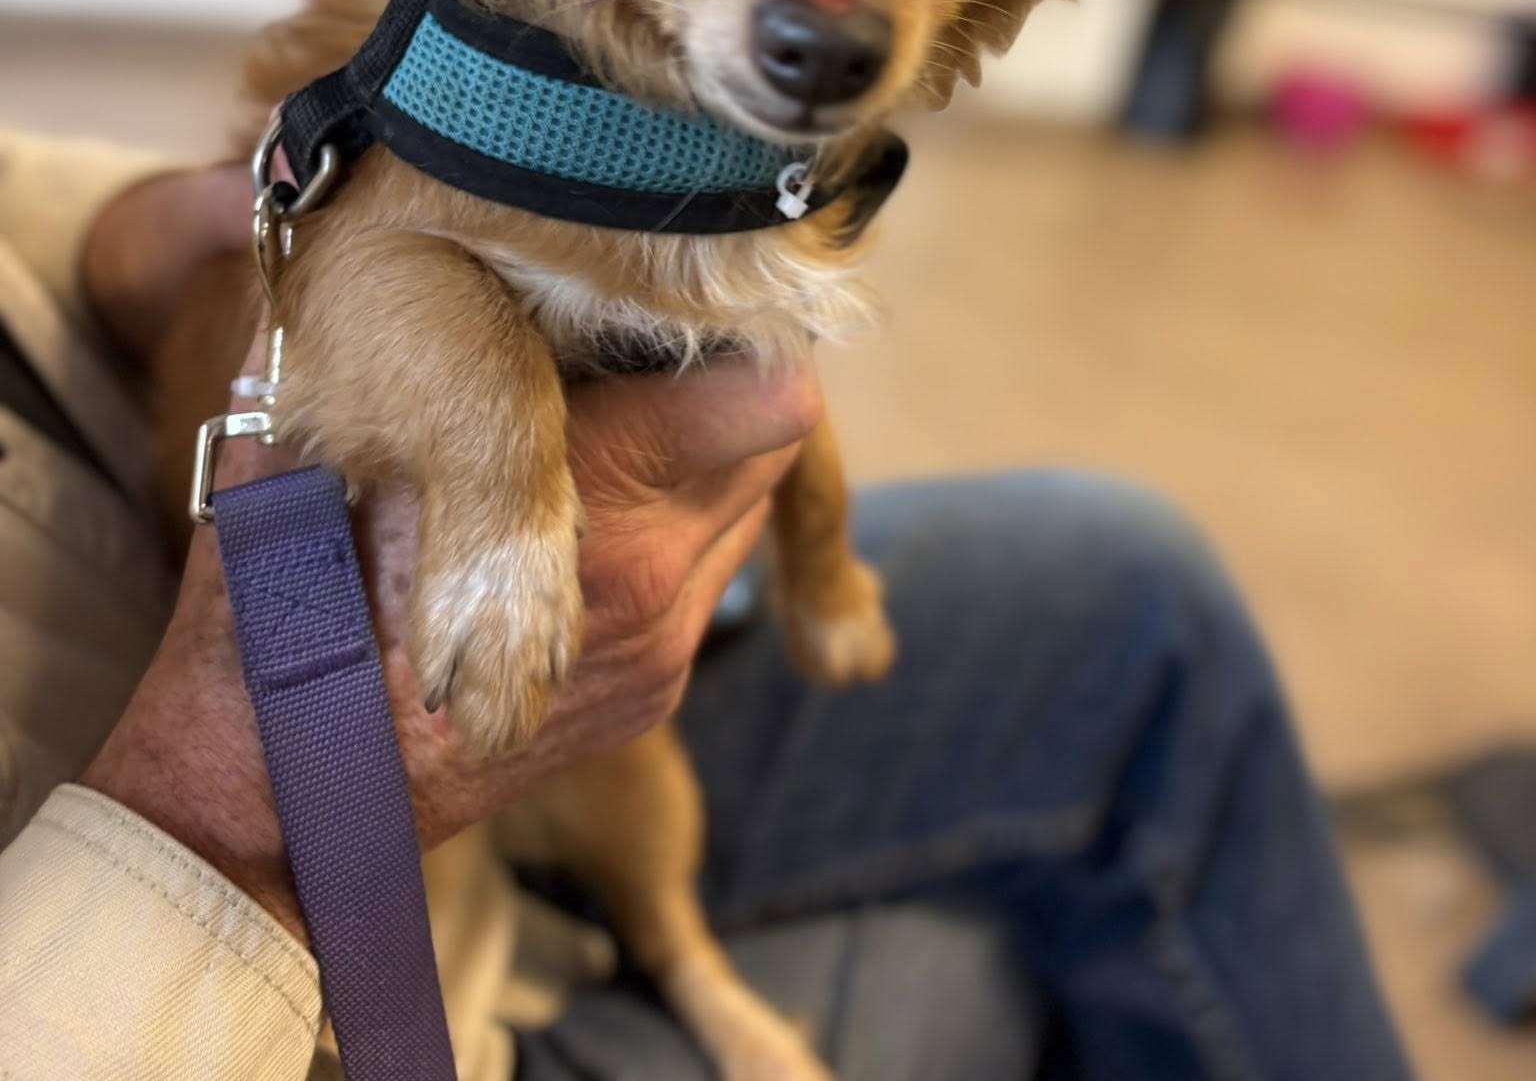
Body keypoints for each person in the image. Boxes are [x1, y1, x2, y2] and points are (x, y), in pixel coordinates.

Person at [0, 130, 1414, 1079]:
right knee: (988, 951)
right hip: (316, 1009)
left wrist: (138, 226)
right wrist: (237, 807)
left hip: (419, 718)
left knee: (1124, 591)